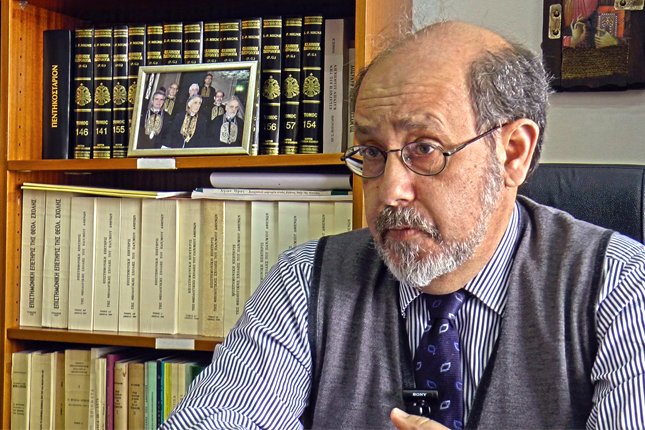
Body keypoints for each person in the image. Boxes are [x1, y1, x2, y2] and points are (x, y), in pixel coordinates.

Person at [161, 21, 645, 429]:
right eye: (372, 152)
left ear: (512, 153)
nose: (390, 190)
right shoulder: (307, 279)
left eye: (425, 149)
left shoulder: (619, 287)